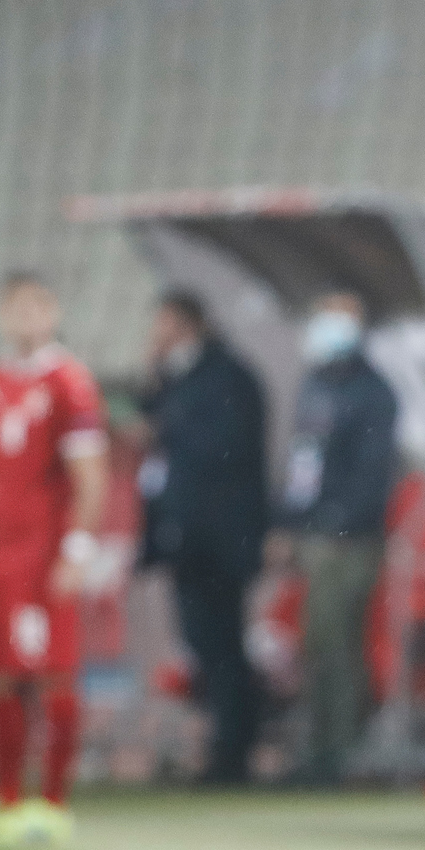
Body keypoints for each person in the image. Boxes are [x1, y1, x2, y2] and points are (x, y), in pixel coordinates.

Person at [0, 272, 109, 844]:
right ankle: (9, 802)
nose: (24, 318)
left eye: (34, 307)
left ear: (53, 312)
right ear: (1, 315)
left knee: (50, 673)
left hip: (44, 552)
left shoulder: (70, 382)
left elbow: (91, 475)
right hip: (0, 552)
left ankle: (54, 803)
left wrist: (76, 549)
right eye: (13, 308)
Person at [140, 289, 268, 784]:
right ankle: (222, 746)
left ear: (185, 324)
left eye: (162, 323)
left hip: (219, 539)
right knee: (203, 642)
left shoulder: (226, 377)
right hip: (190, 538)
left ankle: (233, 752)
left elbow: (217, 455)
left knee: (222, 645)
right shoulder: (180, 379)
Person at [273, 290, 396, 785]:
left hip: (348, 539)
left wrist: (336, 523)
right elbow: (303, 462)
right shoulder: (317, 384)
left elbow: (370, 473)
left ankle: (341, 754)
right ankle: (319, 749)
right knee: (316, 645)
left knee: (338, 644)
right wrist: (288, 522)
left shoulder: (372, 391)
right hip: (314, 535)